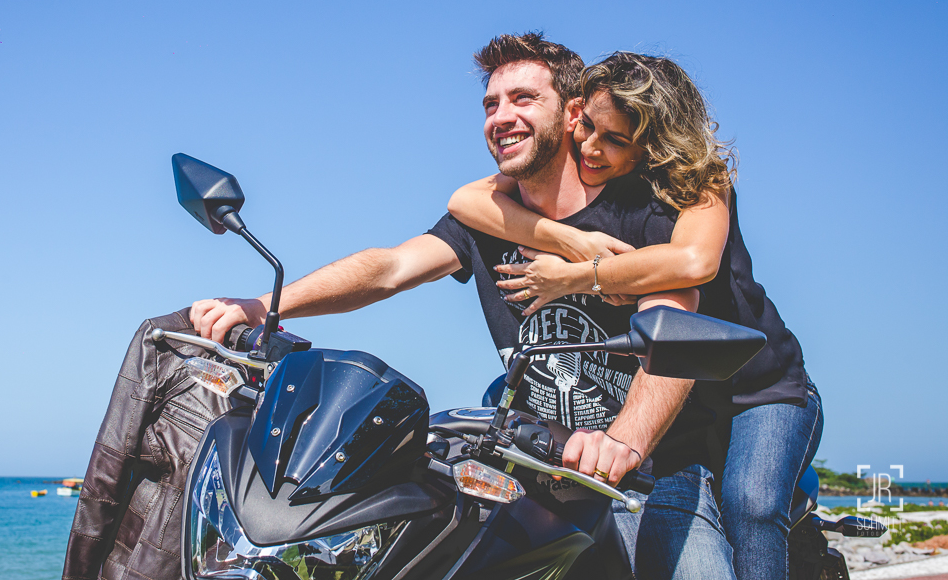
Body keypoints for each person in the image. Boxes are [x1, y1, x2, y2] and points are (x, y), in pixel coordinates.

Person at [192, 33, 736, 580]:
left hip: (643, 468)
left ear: (573, 114)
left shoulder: (640, 212)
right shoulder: (486, 219)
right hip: (528, 459)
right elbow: (390, 268)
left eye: (523, 99)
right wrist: (266, 305)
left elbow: (675, 324)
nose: (501, 116)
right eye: (491, 104)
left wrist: (623, 443)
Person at [446, 52, 820, 580]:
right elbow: (465, 200)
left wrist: (576, 274)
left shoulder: (698, 181)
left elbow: (691, 263)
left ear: (656, 141)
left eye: (617, 140)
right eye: (590, 128)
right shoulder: (602, 179)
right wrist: (569, 239)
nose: (592, 147)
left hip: (757, 389)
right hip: (681, 405)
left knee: (750, 506)